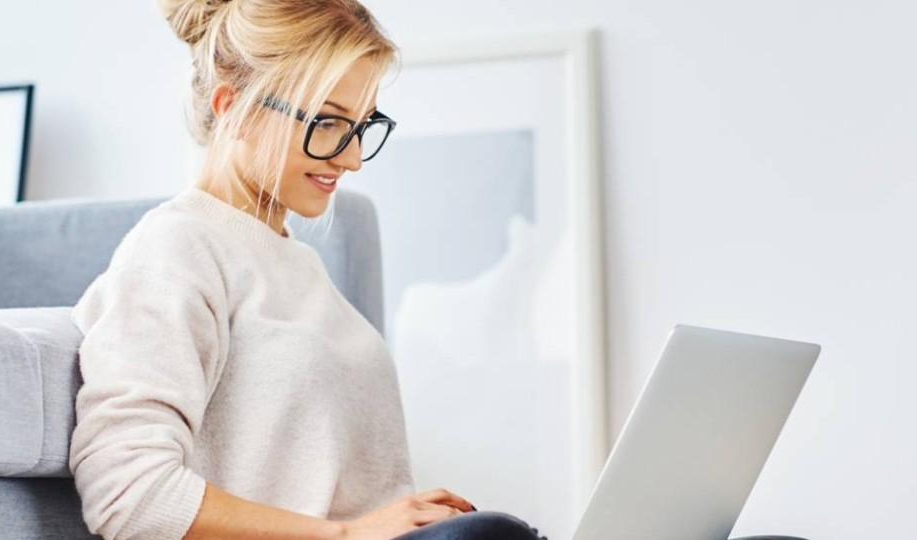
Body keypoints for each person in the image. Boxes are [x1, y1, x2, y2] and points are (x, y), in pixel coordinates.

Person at [69, 1, 804, 539]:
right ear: (234, 108)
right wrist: (352, 535)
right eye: (328, 125)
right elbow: (128, 494)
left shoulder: (295, 262)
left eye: (361, 128)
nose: (352, 159)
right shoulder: (175, 249)